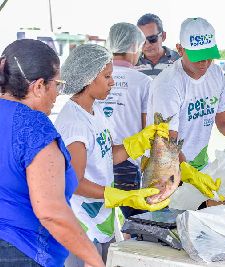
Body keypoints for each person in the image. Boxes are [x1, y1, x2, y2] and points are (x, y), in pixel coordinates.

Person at [54, 44, 170, 266]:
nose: (112, 82)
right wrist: (122, 196)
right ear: (88, 79)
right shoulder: (74, 124)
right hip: (81, 223)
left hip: (103, 218)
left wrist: (139, 141)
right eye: (107, 76)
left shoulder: (94, 110)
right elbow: (74, 183)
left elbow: (108, 156)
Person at [0, 39, 104, 267]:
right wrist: (94, 259)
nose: (59, 92)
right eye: (57, 84)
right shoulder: (34, 127)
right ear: (38, 86)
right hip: (24, 252)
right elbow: (50, 211)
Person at [146, 17, 225, 201]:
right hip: (165, 170)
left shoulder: (215, 73)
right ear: (180, 49)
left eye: (208, 55)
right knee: (169, 222)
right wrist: (186, 172)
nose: (204, 62)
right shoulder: (169, 84)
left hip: (200, 165)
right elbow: (166, 142)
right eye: (197, 57)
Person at [97, 22, 151, 219]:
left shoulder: (96, 78)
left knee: (106, 220)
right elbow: (148, 128)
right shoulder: (144, 82)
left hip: (98, 160)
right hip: (129, 161)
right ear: (134, 48)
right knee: (136, 222)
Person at [136, 13, 180, 78]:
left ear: (163, 36)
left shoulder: (179, 61)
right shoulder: (133, 64)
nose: (147, 45)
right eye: (142, 40)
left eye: (152, 38)